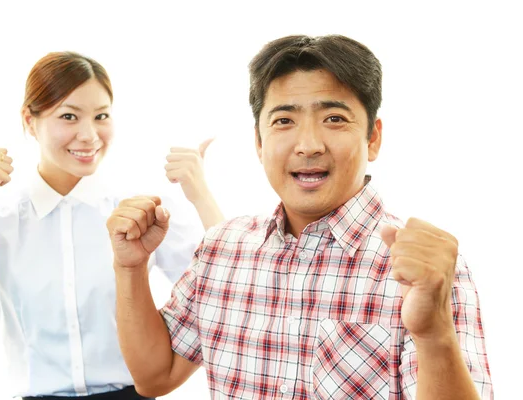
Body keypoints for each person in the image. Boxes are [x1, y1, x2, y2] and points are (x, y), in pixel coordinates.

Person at [107, 35, 493, 399]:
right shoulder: (222, 246)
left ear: (373, 138)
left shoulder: (425, 272)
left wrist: (434, 334)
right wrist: (131, 268)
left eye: (335, 119)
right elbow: (155, 375)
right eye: (284, 121)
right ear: (259, 143)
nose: (308, 145)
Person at [0, 51, 224, 399]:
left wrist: (201, 196)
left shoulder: (144, 210)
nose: (89, 135)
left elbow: (232, 298)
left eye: (101, 116)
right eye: (69, 116)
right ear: (29, 120)